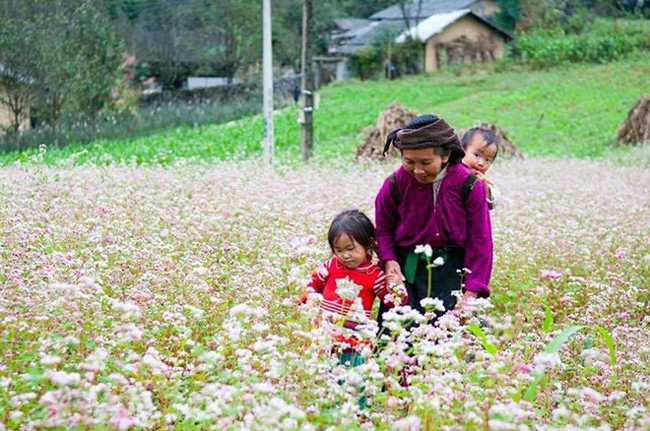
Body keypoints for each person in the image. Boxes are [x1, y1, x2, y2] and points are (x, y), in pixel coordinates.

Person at [374, 114, 493, 329]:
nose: (417, 170)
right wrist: (390, 264)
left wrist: (472, 293)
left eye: (425, 162)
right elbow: (383, 230)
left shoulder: (468, 185)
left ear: (446, 155)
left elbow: (481, 241)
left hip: (452, 276)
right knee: (397, 349)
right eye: (409, 162)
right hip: (407, 275)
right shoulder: (394, 184)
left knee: (453, 348)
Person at [299, 209, 405, 366]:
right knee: (323, 376)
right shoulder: (331, 265)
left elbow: (391, 303)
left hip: (355, 342)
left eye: (350, 249)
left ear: (368, 243)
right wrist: (309, 300)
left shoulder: (374, 274)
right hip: (324, 337)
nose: (345, 255)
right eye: (339, 250)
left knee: (353, 380)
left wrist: (397, 287)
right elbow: (313, 284)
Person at [461, 127, 500, 210]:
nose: (481, 163)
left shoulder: (483, 182)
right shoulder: (451, 171)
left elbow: (492, 203)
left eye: (487, 160)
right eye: (476, 155)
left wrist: (485, 189)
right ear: (462, 151)